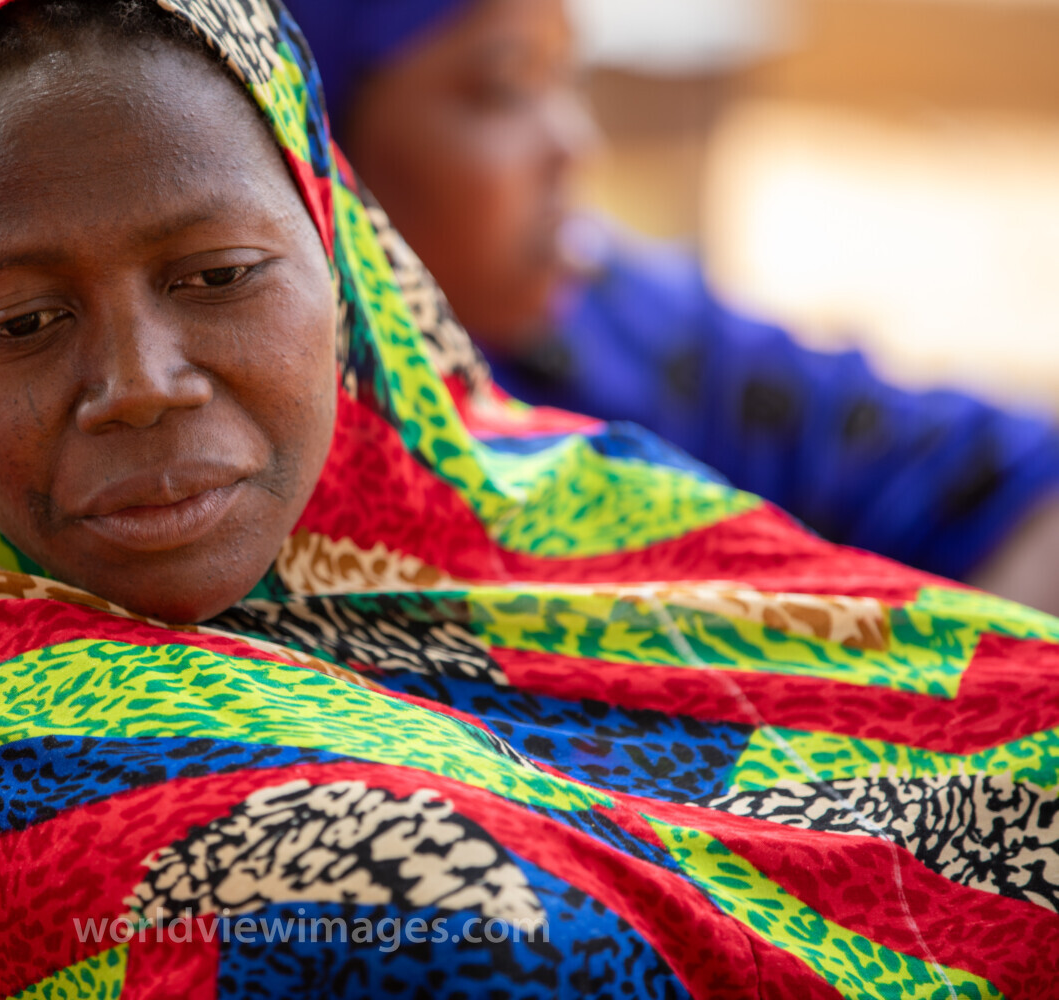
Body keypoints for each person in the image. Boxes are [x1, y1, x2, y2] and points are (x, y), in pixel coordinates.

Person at [0, 1, 1059, 995]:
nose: (141, 384)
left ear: (330, 239)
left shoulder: (551, 496)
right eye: (27, 321)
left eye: (220, 276)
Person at [285, 0, 1059, 614]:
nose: (575, 144)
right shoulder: (238, 486)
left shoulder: (625, 332)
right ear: (312, 136)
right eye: (505, 88)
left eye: (568, 76)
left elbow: (1007, 472)